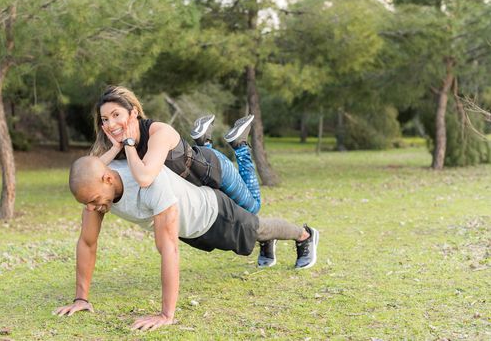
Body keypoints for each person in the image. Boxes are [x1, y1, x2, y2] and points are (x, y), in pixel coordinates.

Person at [54, 156, 319, 331]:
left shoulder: (149, 184)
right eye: (85, 203)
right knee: (252, 236)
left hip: (213, 214)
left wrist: (165, 315)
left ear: (108, 178)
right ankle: (267, 241)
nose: (91, 207)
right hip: (188, 229)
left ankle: (304, 234)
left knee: (257, 228)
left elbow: (168, 249)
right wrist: (81, 298)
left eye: (93, 199)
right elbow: (88, 243)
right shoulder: (96, 197)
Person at [91, 85, 260, 215]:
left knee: (253, 208)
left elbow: (144, 178)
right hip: (198, 170)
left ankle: (240, 145)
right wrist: (115, 147)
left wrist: (127, 144)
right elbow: (89, 172)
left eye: (116, 115)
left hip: (217, 170)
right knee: (195, 160)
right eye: (105, 119)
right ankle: (203, 140)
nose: (110, 125)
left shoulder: (158, 132)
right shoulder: (124, 144)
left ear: (133, 113)